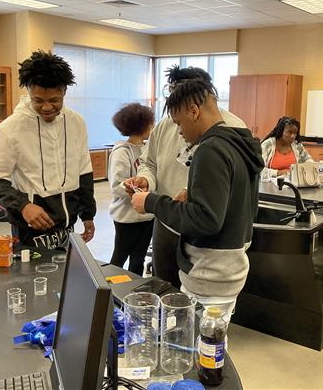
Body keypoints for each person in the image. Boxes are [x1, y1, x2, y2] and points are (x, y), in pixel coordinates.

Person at [131, 78, 264, 319]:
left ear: (193, 111)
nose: (179, 132)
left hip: (209, 274)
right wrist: (194, 195)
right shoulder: (236, 142)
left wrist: (150, 202)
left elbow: (206, 221)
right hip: (229, 268)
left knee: (202, 349)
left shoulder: (210, 150)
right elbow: (233, 200)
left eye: (179, 122)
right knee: (214, 343)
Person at [125, 66, 245, 288]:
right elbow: (149, 163)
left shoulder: (230, 131)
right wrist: (146, 180)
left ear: (196, 103)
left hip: (206, 234)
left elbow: (234, 186)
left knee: (195, 299)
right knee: (163, 286)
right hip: (168, 222)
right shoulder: (164, 126)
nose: (178, 126)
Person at [0, 50, 96, 249]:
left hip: (66, 226)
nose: (46, 107)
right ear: (28, 91)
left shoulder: (76, 122)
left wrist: (88, 215)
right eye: (38, 100)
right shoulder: (10, 128)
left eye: (54, 100)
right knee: (32, 279)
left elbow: (84, 171)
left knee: (66, 277)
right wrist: (24, 206)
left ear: (64, 91)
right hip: (29, 227)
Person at [108, 103, 155, 276]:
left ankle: (134, 292)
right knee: (119, 257)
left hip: (147, 216)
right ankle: (109, 293)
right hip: (126, 218)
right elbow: (116, 186)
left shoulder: (148, 149)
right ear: (143, 125)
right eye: (152, 123)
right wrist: (131, 188)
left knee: (139, 258)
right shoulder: (122, 152)